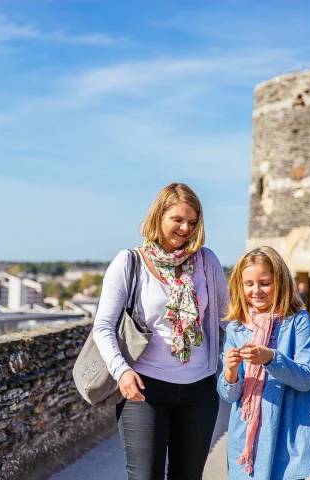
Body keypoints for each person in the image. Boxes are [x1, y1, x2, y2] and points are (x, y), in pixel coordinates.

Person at [93, 183, 229, 480]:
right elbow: (103, 326)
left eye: (192, 222)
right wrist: (121, 371)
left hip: (199, 390)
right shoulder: (129, 263)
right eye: (177, 219)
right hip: (144, 389)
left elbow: (226, 320)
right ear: (158, 216)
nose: (185, 228)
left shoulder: (207, 262)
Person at [217, 246, 310, 480]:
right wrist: (231, 371)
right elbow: (228, 395)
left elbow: (306, 379)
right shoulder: (236, 328)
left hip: (288, 429)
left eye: (264, 283)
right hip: (248, 437)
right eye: (249, 284)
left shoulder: (298, 322)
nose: (256, 290)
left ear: (280, 282)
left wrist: (271, 358)